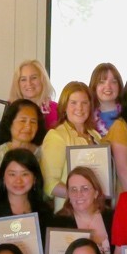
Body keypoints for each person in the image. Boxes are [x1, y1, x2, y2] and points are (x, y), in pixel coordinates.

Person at [40, 81, 105, 210]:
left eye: (84, 103)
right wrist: (80, 197)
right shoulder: (56, 136)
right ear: (65, 106)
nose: (79, 108)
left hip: (96, 210)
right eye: (73, 103)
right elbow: (49, 184)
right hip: (68, 213)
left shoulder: (96, 136)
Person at [0, 99, 46, 198]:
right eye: (22, 120)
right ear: (10, 123)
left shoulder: (44, 155)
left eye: (33, 122)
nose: (28, 126)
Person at [58, 166, 114, 254]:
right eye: (73, 189)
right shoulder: (57, 223)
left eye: (85, 188)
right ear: (68, 195)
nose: (78, 194)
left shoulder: (113, 218)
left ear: (96, 193)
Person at [9, 59, 58, 129]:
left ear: (43, 80)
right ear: (17, 84)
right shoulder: (9, 107)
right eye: (23, 79)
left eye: (34, 78)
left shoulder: (57, 110)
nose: (29, 83)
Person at [88, 62, 124, 135]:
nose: (108, 86)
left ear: (119, 86)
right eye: (101, 82)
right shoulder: (86, 116)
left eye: (113, 82)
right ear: (94, 86)